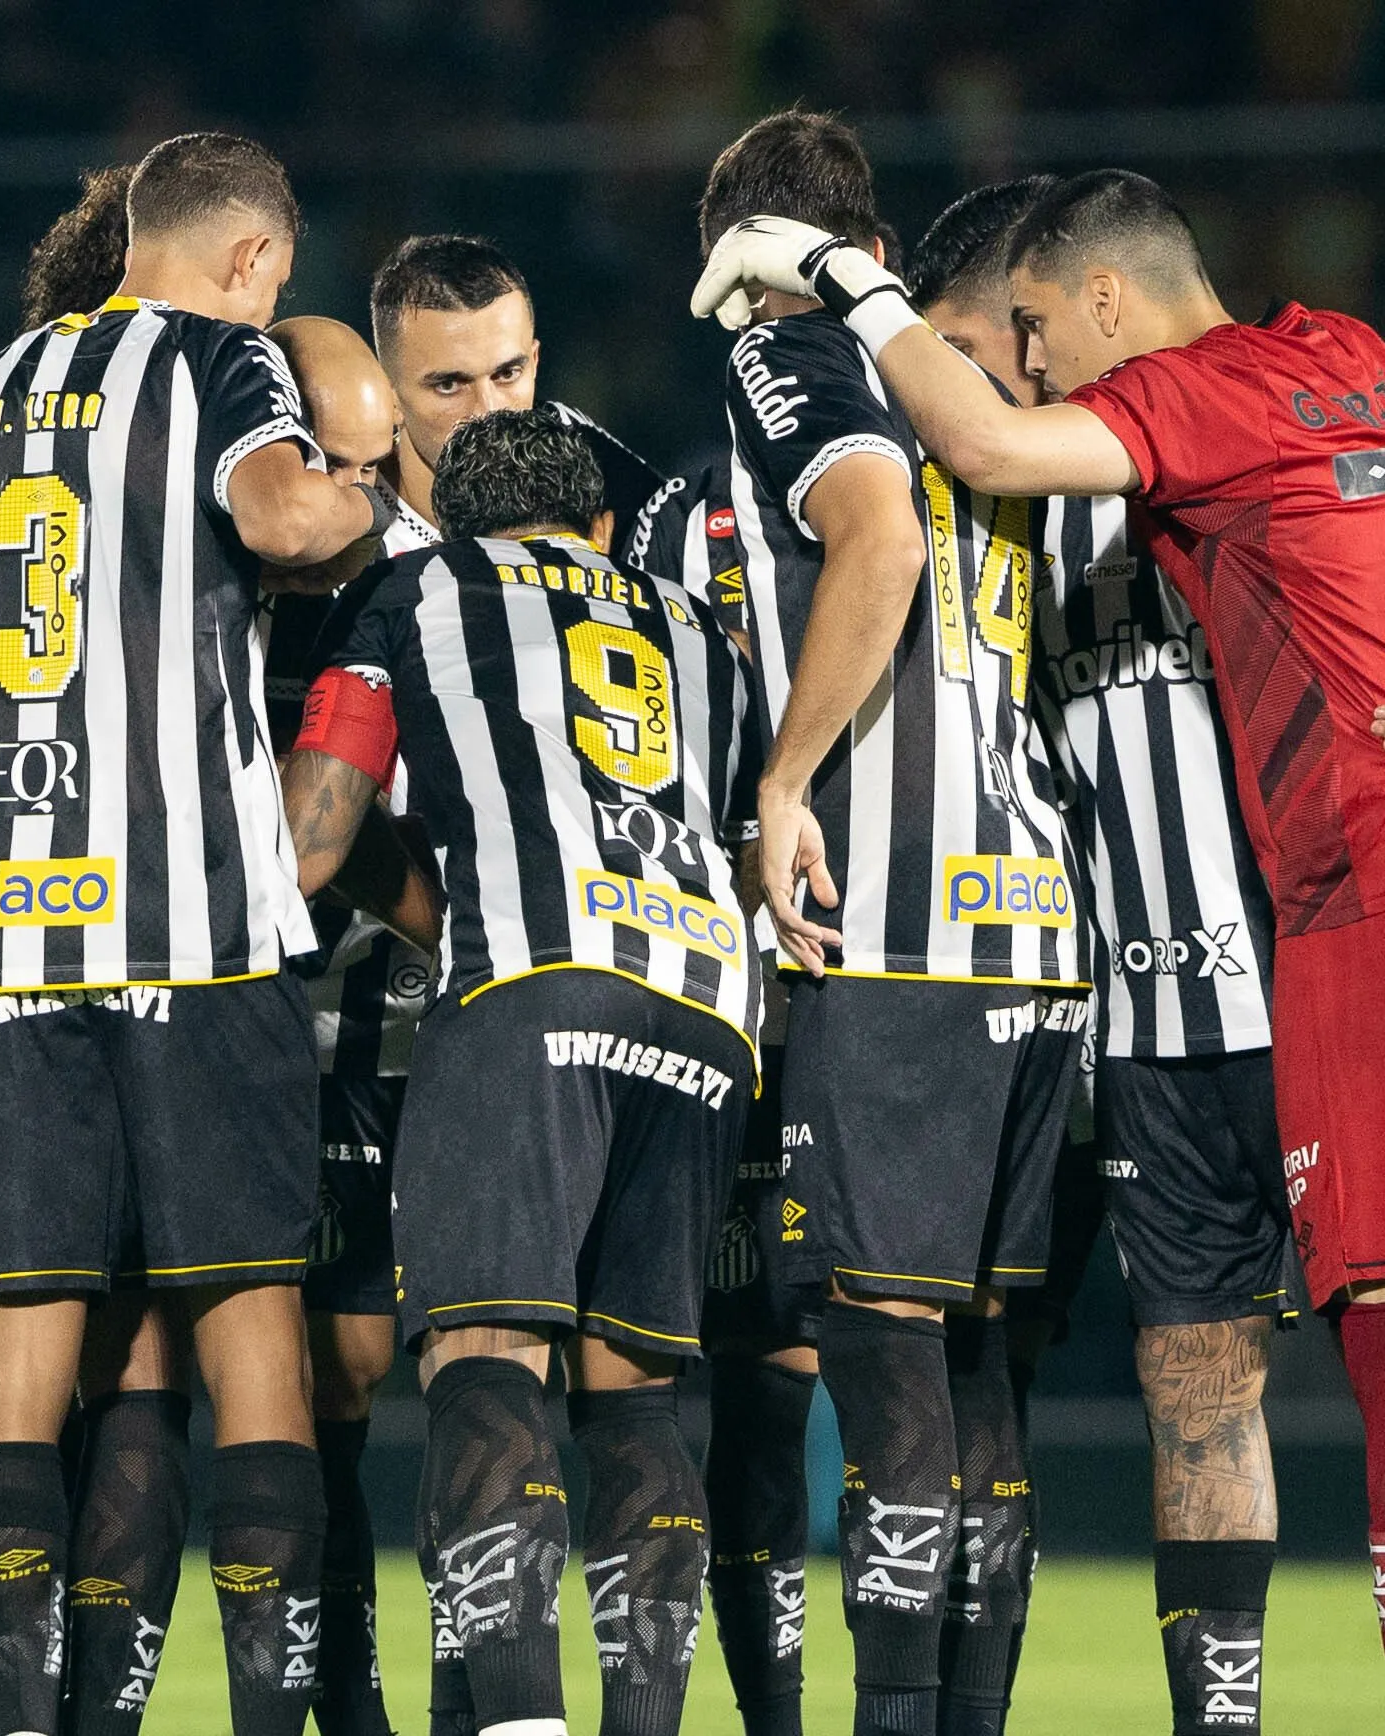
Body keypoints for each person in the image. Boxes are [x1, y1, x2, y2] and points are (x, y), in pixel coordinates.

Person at [693, 167, 1385, 1736]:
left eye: (1021, 332)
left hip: (1333, 953)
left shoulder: (1131, 420)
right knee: (1205, 1387)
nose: (1019, 361)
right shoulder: (988, 484)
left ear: (1059, 305)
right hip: (1153, 1012)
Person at [0, 129, 393, 1736]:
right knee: (248, 1345)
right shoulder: (223, 360)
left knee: (15, 1360)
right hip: (190, 936)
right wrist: (371, 499)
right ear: (256, 262)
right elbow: (283, 526)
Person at [695, 113, 1091, 1736]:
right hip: (1036, 931)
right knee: (981, 1364)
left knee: (881, 1345)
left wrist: (784, 778)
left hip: (899, 935)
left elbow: (879, 536)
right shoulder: (988, 388)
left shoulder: (794, 355)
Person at [283, 407, 759, 1736]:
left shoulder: (416, 584)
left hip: (534, 988)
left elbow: (318, 834)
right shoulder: (697, 631)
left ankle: (515, 1723)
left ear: (458, 511)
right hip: (707, 1008)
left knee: (488, 1357)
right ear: (598, 524)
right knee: (634, 1392)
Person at [266, 310, 445, 1736]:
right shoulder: (207, 571)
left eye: (374, 464)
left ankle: (364, 1685)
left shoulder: (416, 586)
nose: (359, 491)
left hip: (376, 1022)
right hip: (217, 1015)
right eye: (333, 461)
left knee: (363, 1361)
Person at [626, 464, 819, 1736]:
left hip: (807, 1013)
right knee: (646, 1379)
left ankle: (778, 1718)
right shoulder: (663, 518)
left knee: (771, 1390)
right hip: (682, 1004)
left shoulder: (881, 494)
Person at [366, 234, 667, 538]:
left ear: (534, 363)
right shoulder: (346, 536)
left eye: (507, 374)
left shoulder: (586, 458)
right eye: (449, 384)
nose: (488, 411)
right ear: (387, 397)